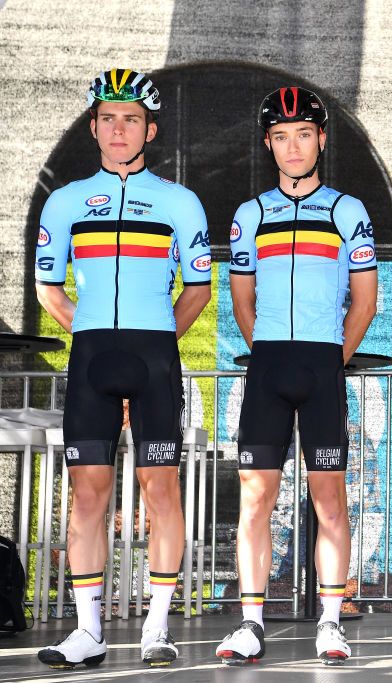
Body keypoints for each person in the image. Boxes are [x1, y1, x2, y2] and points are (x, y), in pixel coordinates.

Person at [35, 69, 211, 668]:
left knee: (161, 491)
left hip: (153, 357)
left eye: (130, 118)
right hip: (91, 358)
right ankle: (87, 633)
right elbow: (47, 288)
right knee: (87, 496)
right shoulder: (63, 203)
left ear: (150, 129)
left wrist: (161, 342)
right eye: (108, 118)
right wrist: (87, 332)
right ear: (93, 127)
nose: (118, 128)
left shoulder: (179, 202)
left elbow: (199, 288)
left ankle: (157, 630)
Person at [213, 87, 377, 667]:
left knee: (329, 499)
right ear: (268, 144)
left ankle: (331, 622)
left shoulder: (347, 210)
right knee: (255, 499)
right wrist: (271, 354)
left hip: (321, 363)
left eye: (303, 134)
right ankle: (252, 623)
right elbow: (241, 303)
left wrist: (333, 360)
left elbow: (364, 302)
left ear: (321, 139)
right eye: (281, 137)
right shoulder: (249, 215)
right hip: (270, 367)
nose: (292, 146)